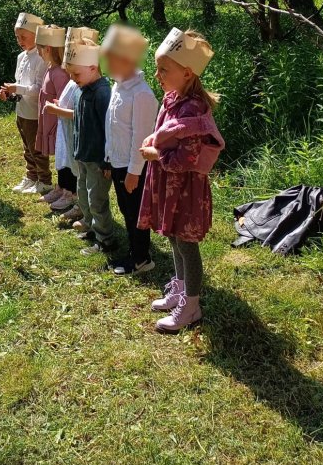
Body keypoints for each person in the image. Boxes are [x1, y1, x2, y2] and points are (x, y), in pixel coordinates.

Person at [138, 28, 225, 333]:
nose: (157, 74)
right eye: (157, 67)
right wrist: (153, 138)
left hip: (185, 187)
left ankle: (191, 305)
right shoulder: (173, 98)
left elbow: (186, 159)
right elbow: (165, 131)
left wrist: (155, 155)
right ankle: (180, 287)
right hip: (170, 184)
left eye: (164, 69)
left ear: (187, 73)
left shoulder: (193, 109)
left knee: (186, 244)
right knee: (173, 237)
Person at [101, 24, 159, 276]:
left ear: (127, 60)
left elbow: (142, 138)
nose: (107, 65)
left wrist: (134, 172)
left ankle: (141, 258)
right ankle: (135, 249)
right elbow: (112, 125)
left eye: (111, 60)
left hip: (132, 166)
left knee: (135, 212)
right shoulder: (117, 86)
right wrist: (107, 158)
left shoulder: (142, 94)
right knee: (126, 209)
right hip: (117, 161)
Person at [64, 37, 117, 256]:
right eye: (70, 74)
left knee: (97, 200)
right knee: (83, 194)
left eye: (76, 74)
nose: (73, 79)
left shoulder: (103, 93)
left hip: (97, 159)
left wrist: (107, 161)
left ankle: (106, 239)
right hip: (83, 155)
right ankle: (90, 226)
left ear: (93, 68)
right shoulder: (80, 89)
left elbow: (109, 129)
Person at [44, 27, 99, 220]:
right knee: (69, 164)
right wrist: (60, 105)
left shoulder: (89, 85)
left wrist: (57, 110)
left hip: (78, 135)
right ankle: (70, 195)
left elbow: (81, 114)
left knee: (80, 174)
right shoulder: (76, 78)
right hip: (69, 132)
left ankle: (77, 202)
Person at [0, 12, 50, 194]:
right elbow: (19, 83)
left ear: (36, 35)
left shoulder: (42, 58)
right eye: (17, 37)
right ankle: (31, 176)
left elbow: (40, 89)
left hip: (34, 112)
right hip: (21, 110)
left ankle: (44, 180)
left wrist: (17, 88)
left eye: (23, 37)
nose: (19, 40)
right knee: (27, 147)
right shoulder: (21, 57)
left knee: (37, 149)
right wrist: (9, 92)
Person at [33, 25, 72, 207]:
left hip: (58, 124)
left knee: (65, 159)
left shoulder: (60, 73)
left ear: (47, 49)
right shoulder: (51, 68)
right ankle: (60, 187)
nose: (38, 53)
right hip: (50, 122)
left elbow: (64, 101)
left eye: (39, 48)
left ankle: (69, 191)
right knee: (59, 159)